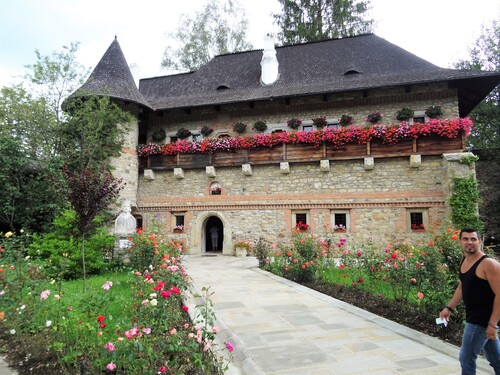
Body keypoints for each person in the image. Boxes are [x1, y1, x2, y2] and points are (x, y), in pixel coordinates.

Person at [439, 227, 500, 374]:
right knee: (496, 359)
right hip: (476, 317)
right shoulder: (465, 261)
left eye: (473, 239)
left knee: (466, 358)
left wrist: (493, 324)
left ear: (480, 241)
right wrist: (449, 307)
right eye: (465, 239)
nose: (469, 242)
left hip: (481, 321)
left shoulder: (489, 264)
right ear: (460, 241)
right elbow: (462, 287)